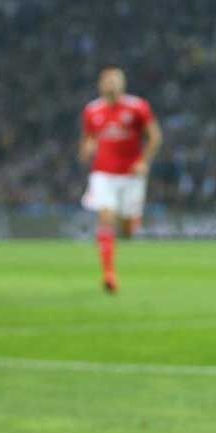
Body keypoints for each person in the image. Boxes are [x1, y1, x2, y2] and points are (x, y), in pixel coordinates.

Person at [78, 66, 162, 293]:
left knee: (127, 231)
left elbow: (155, 137)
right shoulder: (92, 110)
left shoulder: (138, 107)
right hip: (103, 174)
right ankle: (109, 274)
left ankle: (131, 222)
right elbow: (87, 139)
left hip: (131, 176)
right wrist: (86, 149)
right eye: (107, 81)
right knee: (106, 217)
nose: (111, 85)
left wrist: (144, 161)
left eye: (115, 81)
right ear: (100, 85)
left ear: (123, 84)